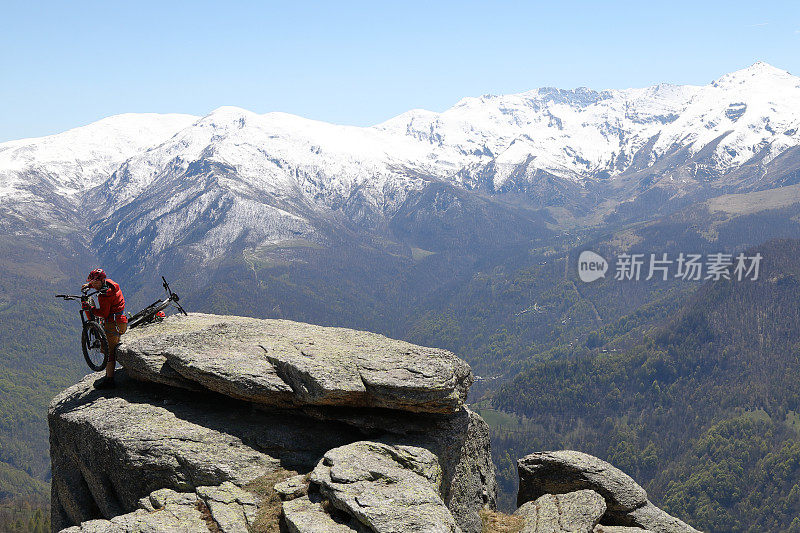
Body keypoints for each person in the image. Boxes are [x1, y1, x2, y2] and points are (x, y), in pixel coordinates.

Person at [81, 268, 127, 389]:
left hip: (113, 323)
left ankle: (109, 381)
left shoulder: (104, 295)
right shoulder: (110, 283)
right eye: (93, 283)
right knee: (110, 347)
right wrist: (89, 285)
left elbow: (103, 313)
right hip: (120, 321)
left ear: (101, 281)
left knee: (109, 352)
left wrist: (90, 308)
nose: (94, 285)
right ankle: (109, 377)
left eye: (96, 283)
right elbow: (98, 283)